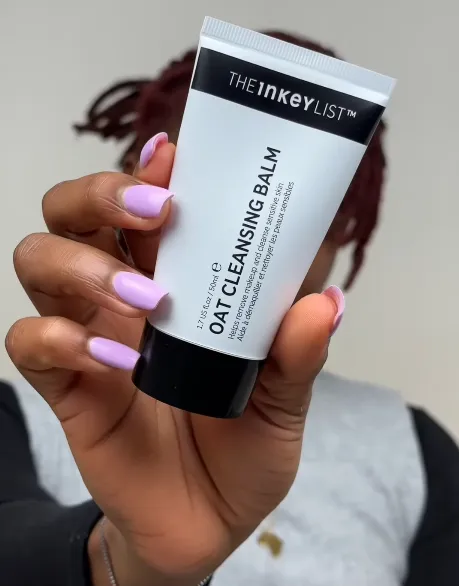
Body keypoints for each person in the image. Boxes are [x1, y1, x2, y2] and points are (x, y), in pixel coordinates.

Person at [1, 31, 458, 586]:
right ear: (146, 186)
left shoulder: (415, 451)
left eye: (320, 214)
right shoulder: (23, 415)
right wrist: (135, 563)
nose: (253, 224)